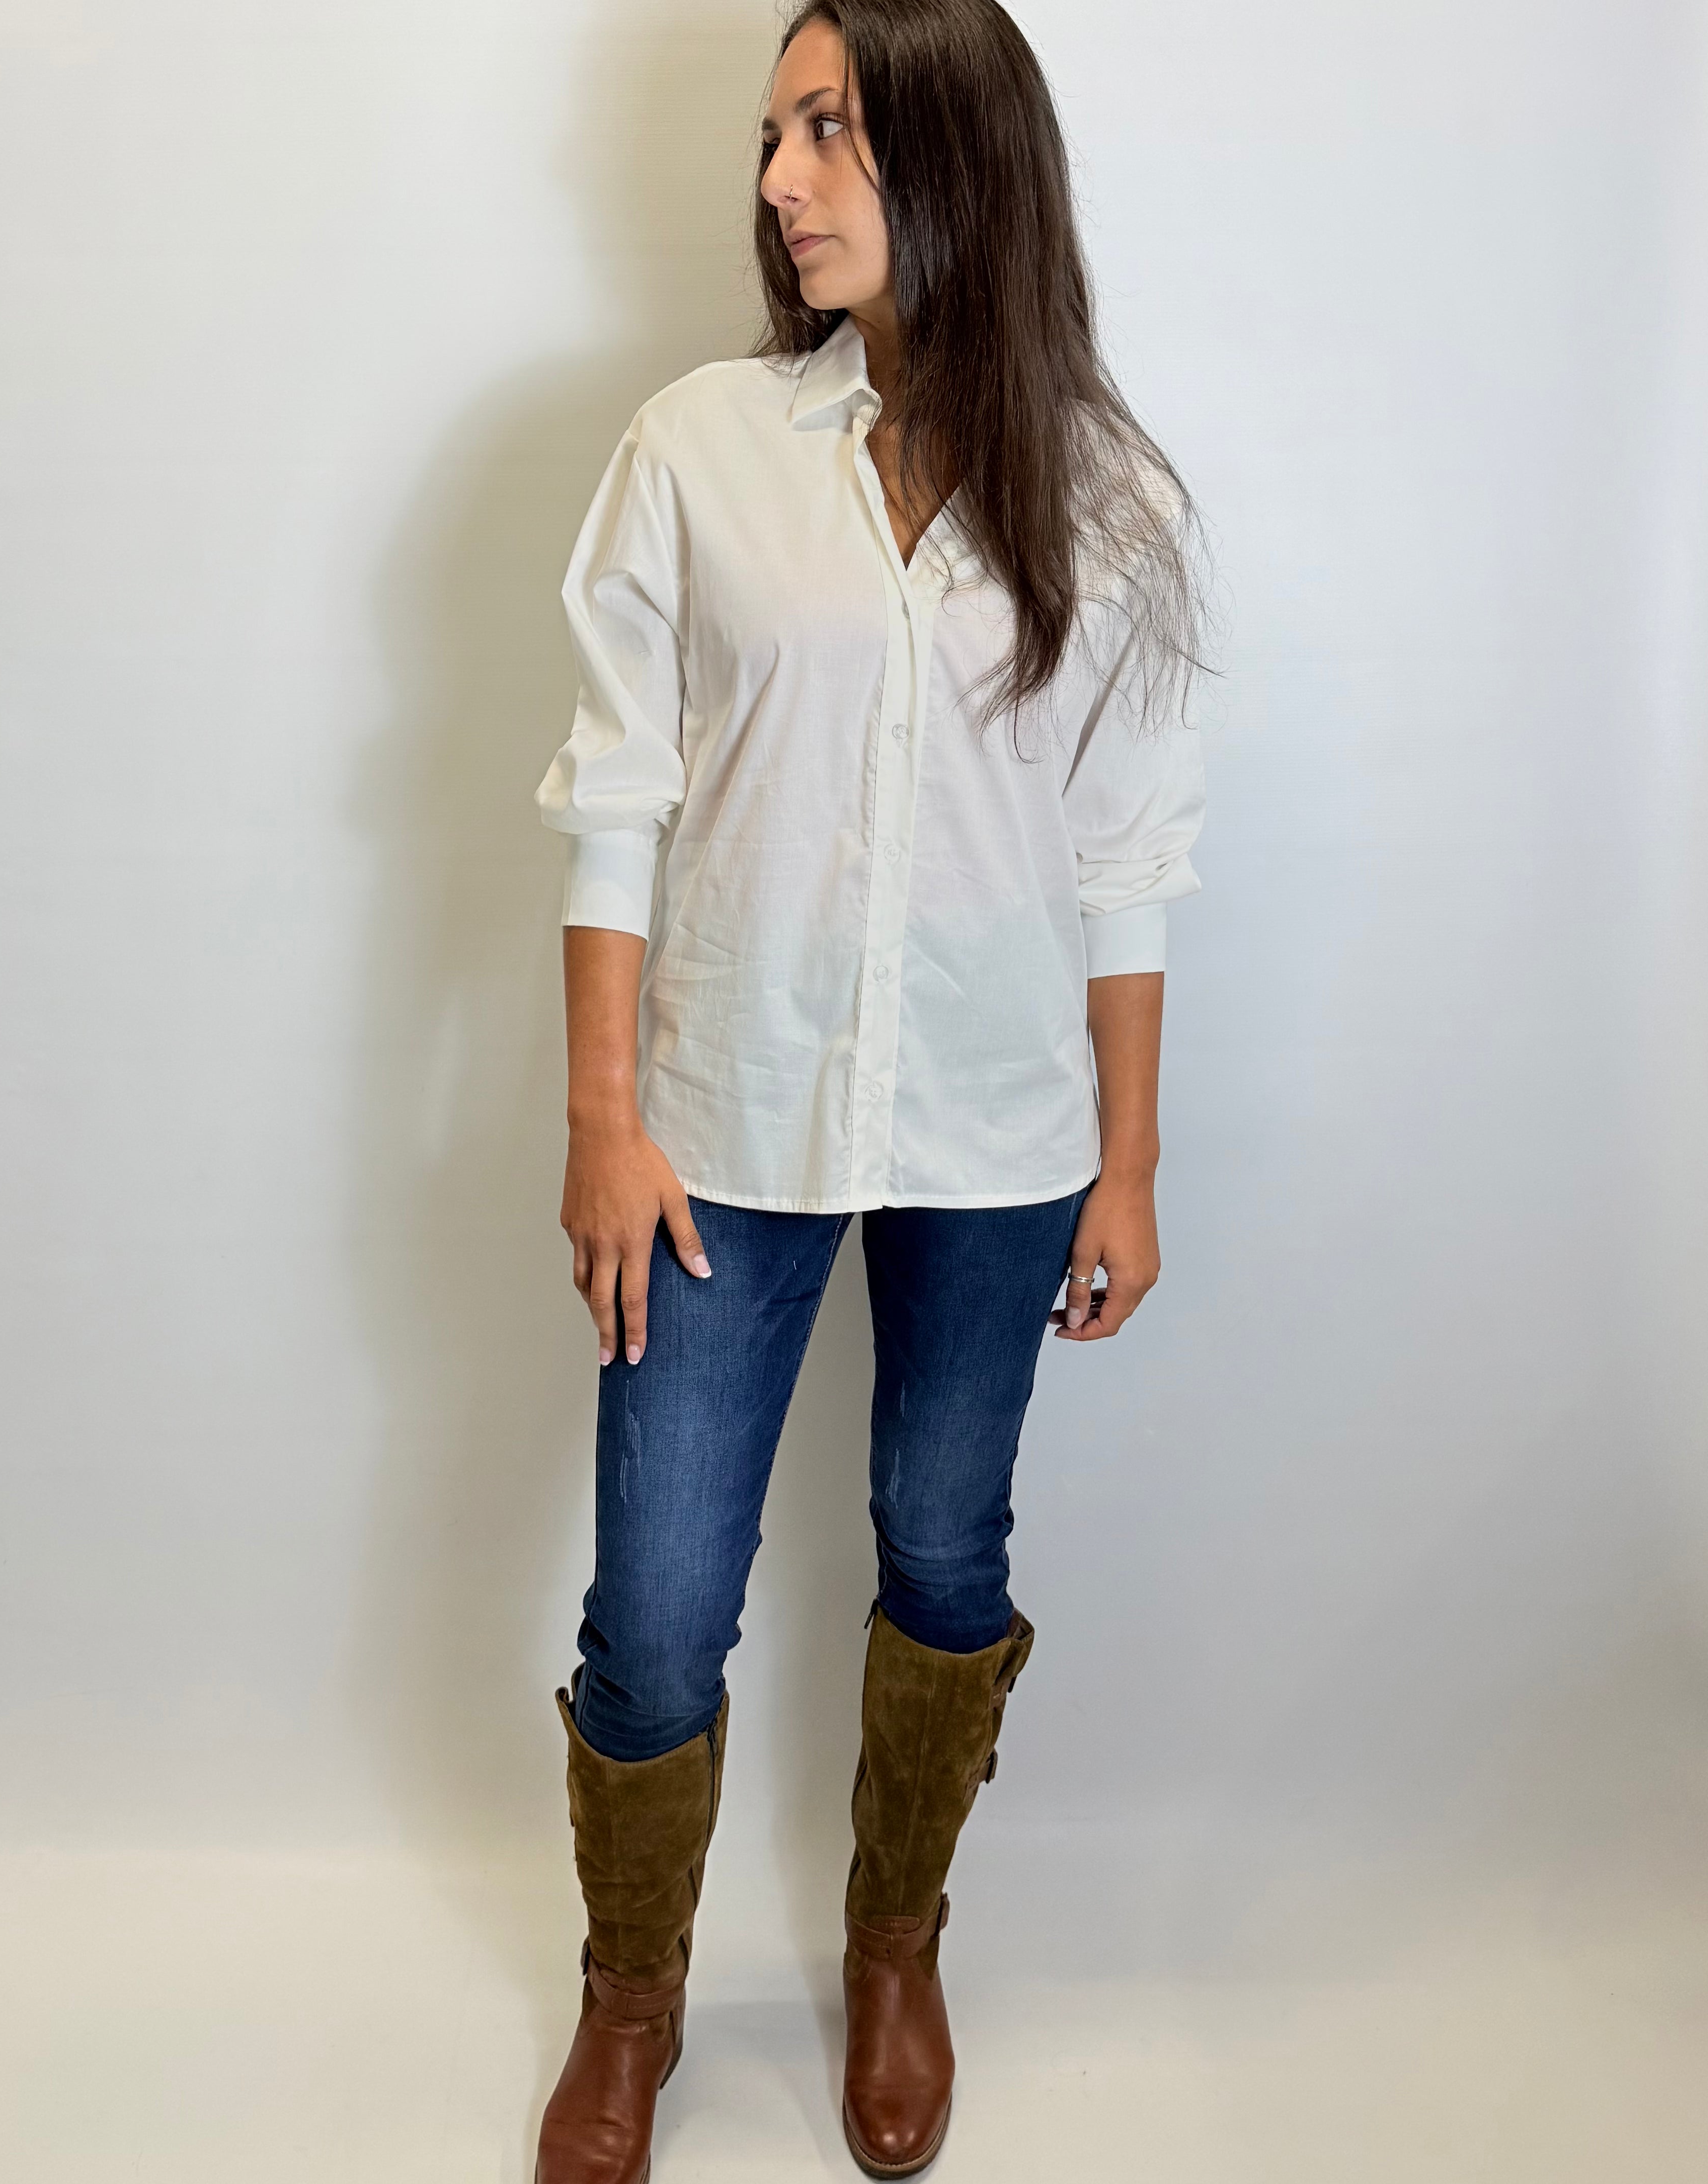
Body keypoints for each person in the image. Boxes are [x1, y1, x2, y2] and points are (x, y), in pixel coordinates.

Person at [530, 2, 1208, 2176]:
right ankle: (632, 1995)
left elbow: (1123, 859)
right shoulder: (697, 451)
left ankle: (894, 1942)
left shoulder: (1107, 498)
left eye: (826, 129)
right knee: (657, 1605)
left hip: (998, 1141)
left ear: (953, 148)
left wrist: (1127, 1163)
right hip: (715, 1129)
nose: (777, 181)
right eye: (772, 136)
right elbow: (615, 800)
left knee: (942, 1542)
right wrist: (601, 1122)